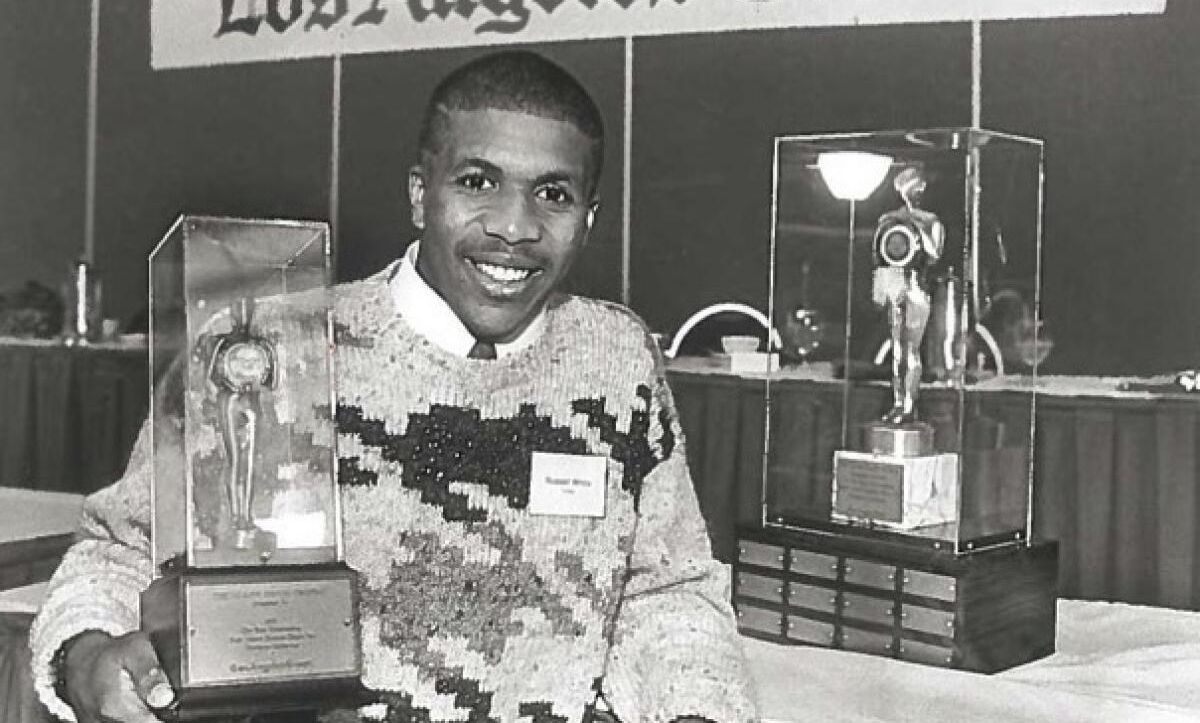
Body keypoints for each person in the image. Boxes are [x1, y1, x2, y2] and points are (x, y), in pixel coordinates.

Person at [29, 50, 757, 723]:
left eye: (554, 195)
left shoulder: (617, 356)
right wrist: (86, 656)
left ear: (589, 218)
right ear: (419, 193)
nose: (514, 226)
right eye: (477, 182)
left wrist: (697, 707)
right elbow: (118, 549)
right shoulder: (268, 345)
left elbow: (669, 591)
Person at [871, 166, 944, 424]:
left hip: (917, 289)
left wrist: (915, 227)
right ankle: (898, 402)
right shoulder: (887, 219)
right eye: (908, 188)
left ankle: (910, 406)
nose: (913, 193)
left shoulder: (931, 220)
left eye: (916, 187)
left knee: (911, 349)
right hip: (895, 286)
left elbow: (934, 255)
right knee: (897, 351)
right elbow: (880, 255)